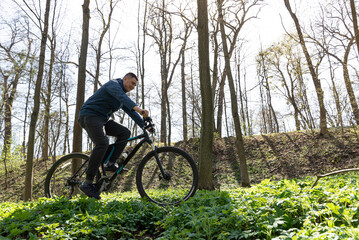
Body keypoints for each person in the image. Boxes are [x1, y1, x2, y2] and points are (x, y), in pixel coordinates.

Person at [78, 72, 149, 199]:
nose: (133, 86)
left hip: (103, 119)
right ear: (125, 79)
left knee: (125, 132)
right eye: (132, 83)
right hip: (89, 115)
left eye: (135, 85)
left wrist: (145, 126)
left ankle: (110, 163)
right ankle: (87, 182)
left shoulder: (122, 96)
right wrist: (139, 109)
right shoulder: (114, 85)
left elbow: (131, 112)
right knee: (103, 143)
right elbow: (123, 98)